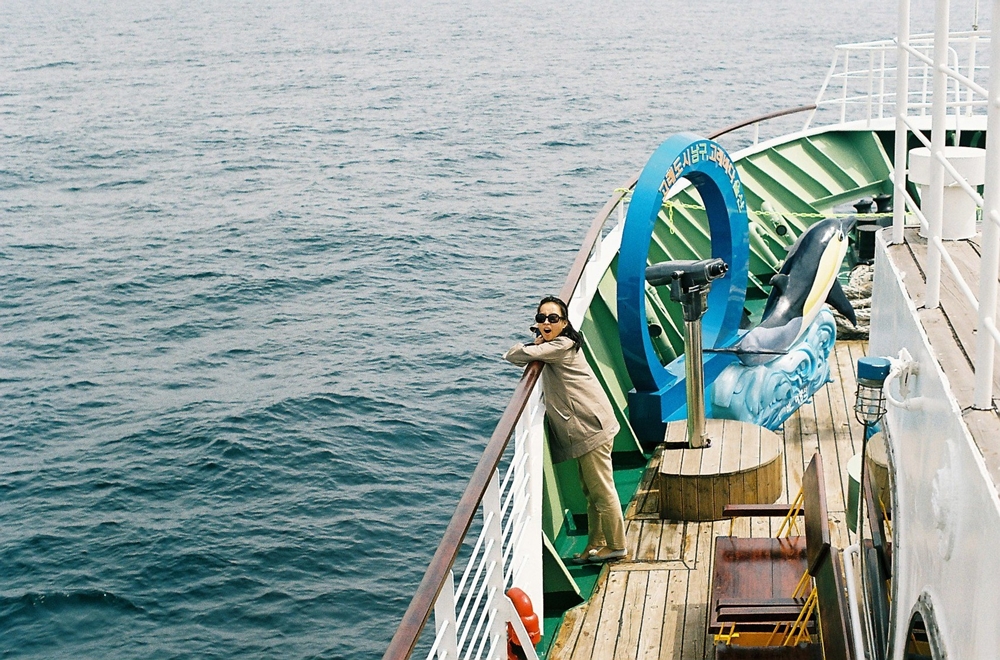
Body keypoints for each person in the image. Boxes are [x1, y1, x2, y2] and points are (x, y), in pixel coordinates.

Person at [504, 296, 627, 563]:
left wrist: (535, 344)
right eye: (541, 319)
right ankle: (596, 544)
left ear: (564, 322)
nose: (546, 323)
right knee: (591, 491)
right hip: (590, 424)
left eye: (553, 318)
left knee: (602, 490)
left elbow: (514, 355)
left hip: (590, 427)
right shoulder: (561, 343)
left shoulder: (560, 345)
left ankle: (617, 545)